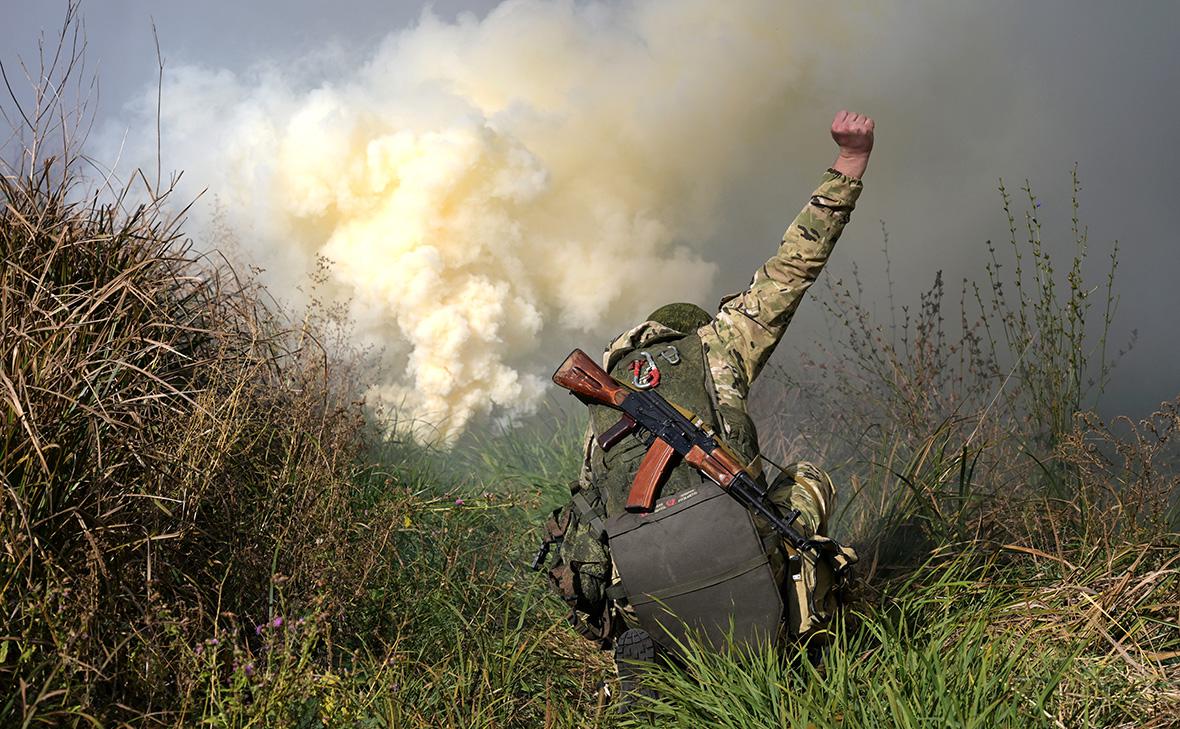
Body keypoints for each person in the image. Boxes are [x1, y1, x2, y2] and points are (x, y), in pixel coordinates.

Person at [540, 110, 874, 707]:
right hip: (736, 554)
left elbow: (592, 507)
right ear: (694, 332)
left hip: (644, 589)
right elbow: (794, 268)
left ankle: (641, 646)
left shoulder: (603, 407)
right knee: (808, 486)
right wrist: (850, 163)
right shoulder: (718, 345)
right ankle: (806, 639)